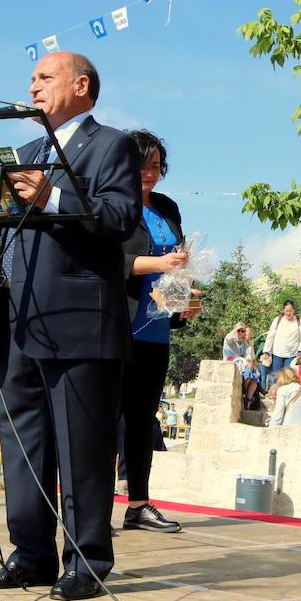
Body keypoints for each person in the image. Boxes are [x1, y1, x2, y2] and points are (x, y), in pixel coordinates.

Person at [0, 51, 140, 601]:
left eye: (45, 78)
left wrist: (54, 195)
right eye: (32, 78)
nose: (34, 86)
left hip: (79, 320)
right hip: (19, 318)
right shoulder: (23, 152)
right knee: (24, 446)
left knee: (81, 447)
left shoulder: (110, 144)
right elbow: (8, 234)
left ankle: (87, 560)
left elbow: (119, 220)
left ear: (81, 85)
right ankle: (31, 555)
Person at [118, 129, 197, 534]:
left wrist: (184, 303)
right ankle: (89, 506)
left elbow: (179, 264)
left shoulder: (168, 207)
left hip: (155, 329)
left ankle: (139, 504)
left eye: (155, 166)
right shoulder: (111, 205)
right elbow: (109, 261)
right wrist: (158, 264)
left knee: (142, 418)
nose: (148, 174)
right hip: (117, 326)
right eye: (141, 165)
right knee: (102, 419)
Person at [262, 301, 301, 389]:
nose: (288, 313)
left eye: (290, 310)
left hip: (291, 355)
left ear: (294, 310)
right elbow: (271, 336)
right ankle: (274, 396)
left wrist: (300, 351)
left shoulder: (299, 322)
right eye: (286, 311)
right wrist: (266, 351)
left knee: (287, 378)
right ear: (283, 310)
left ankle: (285, 397)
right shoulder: (277, 320)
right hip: (277, 353)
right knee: (275, 377)